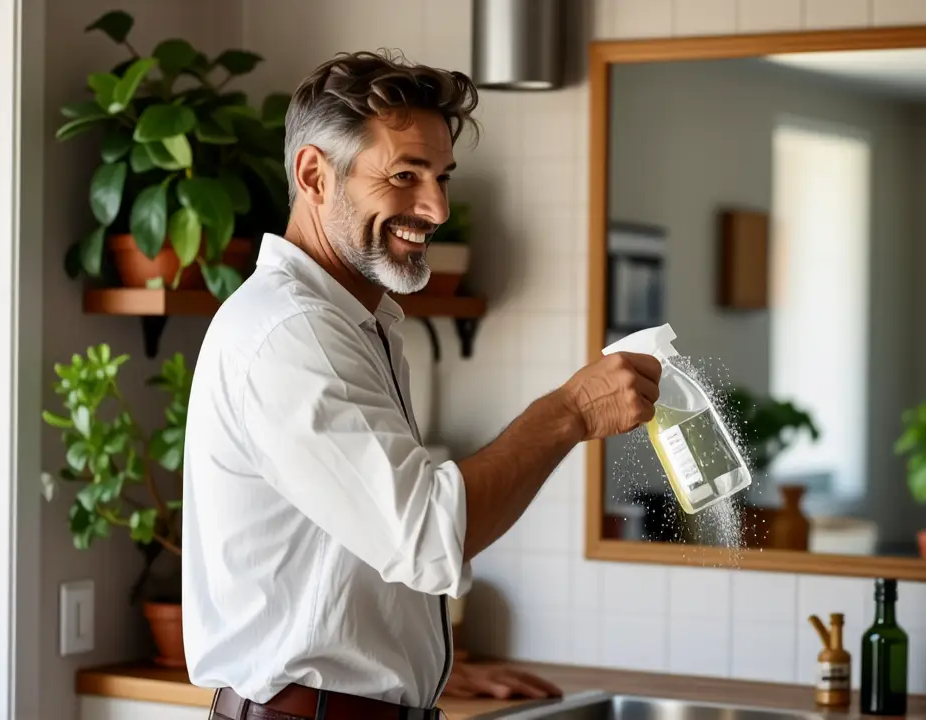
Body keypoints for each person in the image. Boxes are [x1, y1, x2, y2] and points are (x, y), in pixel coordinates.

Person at [181, 50, 661, 720]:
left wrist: (414, 669)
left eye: (440, 176)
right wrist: (571, 412)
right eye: (405, 175)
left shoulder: (350, 324)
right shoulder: (294, 334)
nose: (435, 207)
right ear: (315, 175)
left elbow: (351, 549)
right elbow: (428, 537)